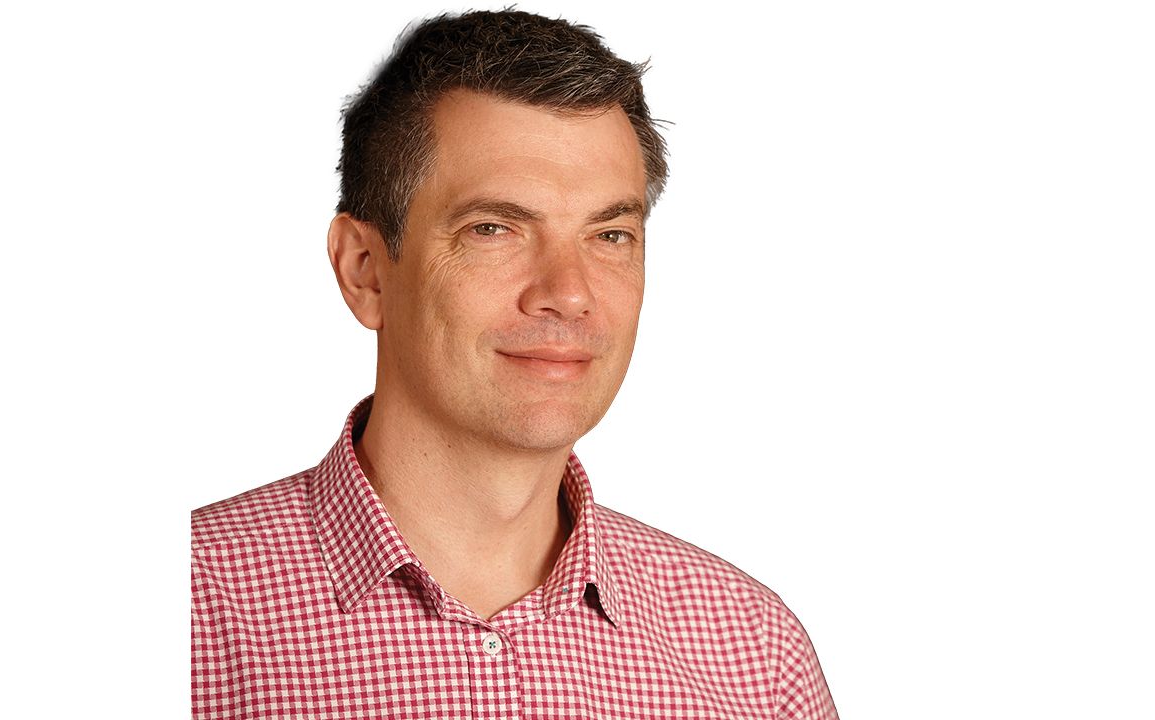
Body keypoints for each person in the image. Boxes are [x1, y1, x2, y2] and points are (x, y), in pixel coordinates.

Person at [192, 9, 838, 718]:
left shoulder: (753, 654)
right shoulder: (186, 621)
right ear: (366, 272)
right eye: (494, 228)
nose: (568, 292)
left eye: (610, 233)